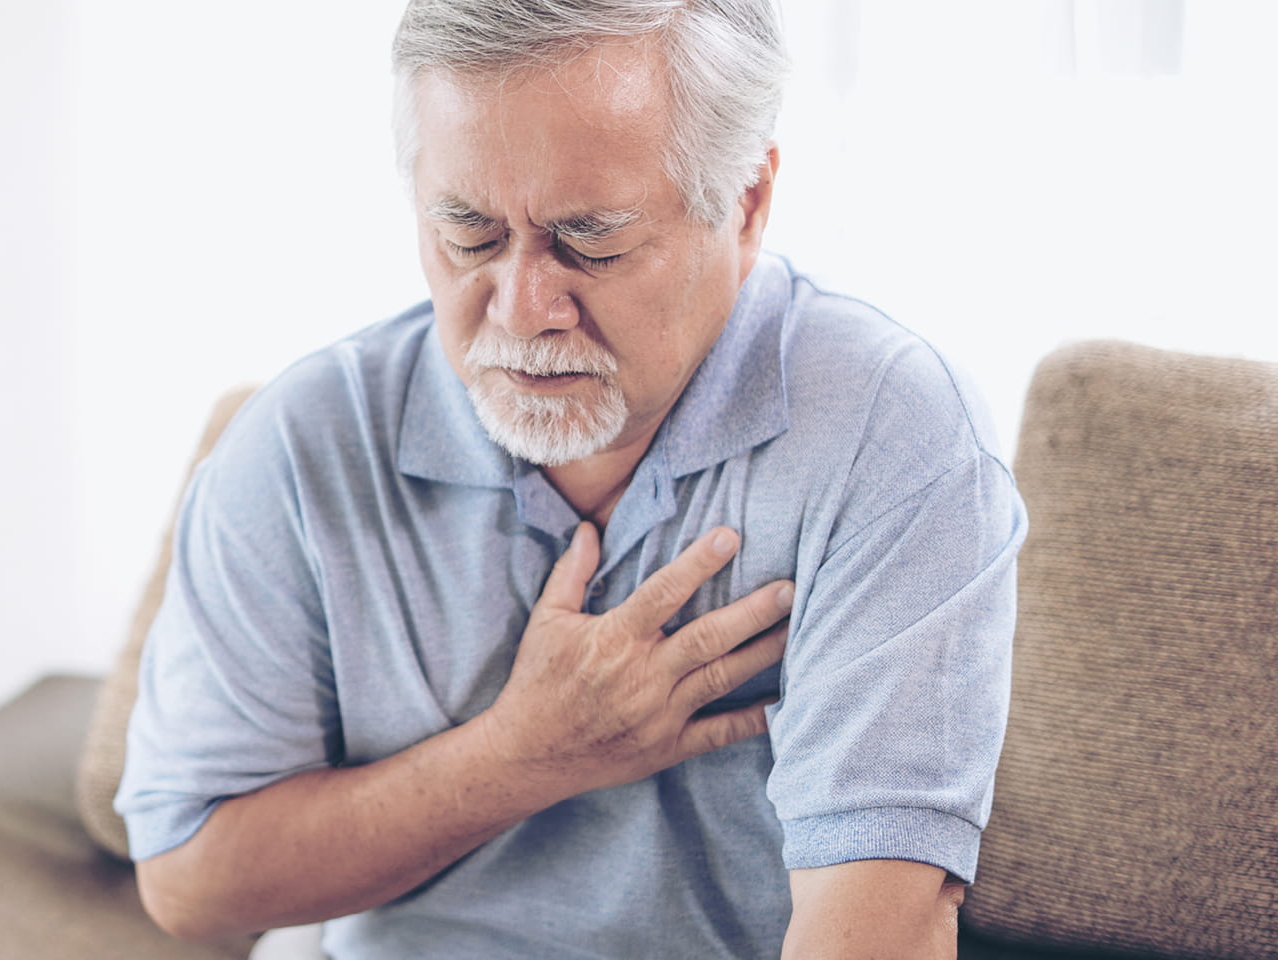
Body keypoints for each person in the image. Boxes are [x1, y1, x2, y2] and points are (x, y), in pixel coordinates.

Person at [115, 1, 1027, 956]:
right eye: (468, 233)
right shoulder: (302, 444)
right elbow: (187, 880)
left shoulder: (891, 432)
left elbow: (876, 930)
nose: (521, 309)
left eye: (588, 239)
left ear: (747, 203)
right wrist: (522, 755)